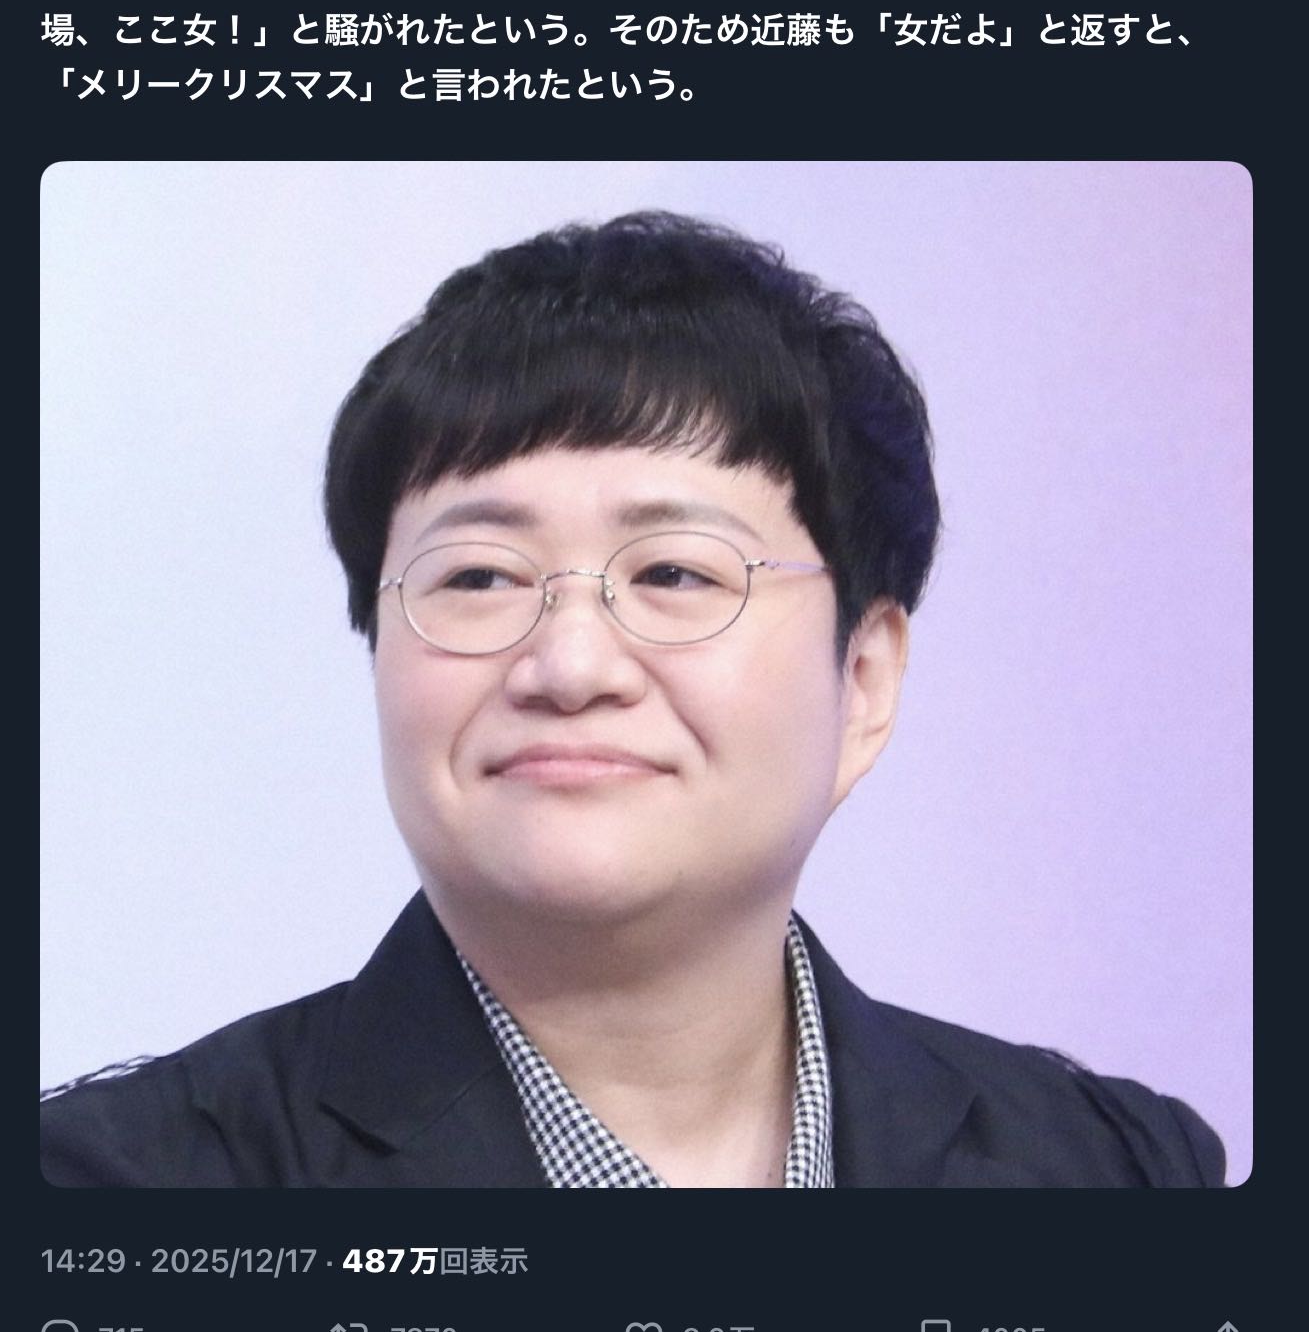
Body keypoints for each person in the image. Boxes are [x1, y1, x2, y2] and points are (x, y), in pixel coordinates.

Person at [41, 211, 1225, 1188]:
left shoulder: (1115, 1173)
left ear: (862, 679)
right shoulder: (115, 1189)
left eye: (673, 573)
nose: (570, 664)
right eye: (478, 577)